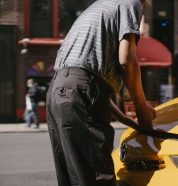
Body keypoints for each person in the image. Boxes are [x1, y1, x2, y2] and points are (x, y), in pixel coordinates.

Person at [46, 0, 156, 185]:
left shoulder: (99, 7)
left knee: (73, 178)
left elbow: (88, 82)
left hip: (57, 90)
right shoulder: (131, 2)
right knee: (97, 178)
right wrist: (141, 108)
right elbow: (126, 60)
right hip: (78, 90)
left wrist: (128, 120)